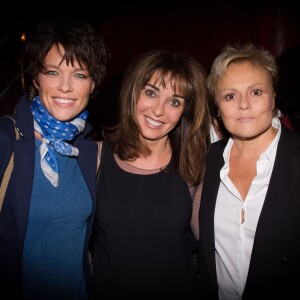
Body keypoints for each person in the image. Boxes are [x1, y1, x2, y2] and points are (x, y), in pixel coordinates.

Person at [0, 17, 109, 299]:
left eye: (80, 75)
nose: (65, 87)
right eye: (53, 72)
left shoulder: (88, 151)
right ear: (36, 77)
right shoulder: (5, 140)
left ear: (93, 84)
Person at [90, 49, 211, 299]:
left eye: (174, 101)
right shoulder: (96, 158)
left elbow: (214, 244)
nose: (158, 110)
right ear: (134, 92)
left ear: (185, 111)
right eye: (151, 92)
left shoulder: (193, 166)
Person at [197, 42, 300, 300]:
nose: (243, 104)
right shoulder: (206, 161)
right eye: (230, 96)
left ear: (273, 97)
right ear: (217, 108)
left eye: (255, 92)